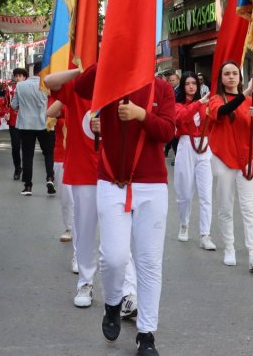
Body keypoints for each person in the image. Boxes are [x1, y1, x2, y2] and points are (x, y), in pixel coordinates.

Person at [74, 63, 175, 356]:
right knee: (114, 257)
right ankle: (113, 302)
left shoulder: (163, 88)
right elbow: (81, 87)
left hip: (152, 185)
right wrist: (108, 56)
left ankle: (146, 333)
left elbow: (167, 131)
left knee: (149, 262)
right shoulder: (108, 81)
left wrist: (142, 115)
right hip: (112, 182)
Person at [45, 68, 139, 313]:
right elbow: (49, 81)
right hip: (83, 173)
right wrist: (79, 67)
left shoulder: (120, 91)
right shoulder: (75, 88)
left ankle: (128, 291)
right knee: (85, 232)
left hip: (112, 172)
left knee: (118, 236)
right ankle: (85, 283)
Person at [207, 61, 253, 271]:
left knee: (249, 208)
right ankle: (229, 247)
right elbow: (222, 112)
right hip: (223, 157)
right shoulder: (215, 100)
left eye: (234, 74)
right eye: (227, 74)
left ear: (239, 77)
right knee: (225, 206)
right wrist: (244, 95)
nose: (231, 77)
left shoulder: (249, 101)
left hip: (247, 158)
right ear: (221, 79)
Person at [172, 73, 215, 251]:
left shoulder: (205, 103)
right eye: (187, 84)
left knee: (206, 193)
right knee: (185, 193)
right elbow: (181, 118)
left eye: (194, 83)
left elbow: (214, 121)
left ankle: (205, 234)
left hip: (204, 146)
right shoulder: (178, 104)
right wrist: (199, 103)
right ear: (183, 86)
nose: (191, 87)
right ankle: (184, 223)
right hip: (185, 146)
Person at [11, 66, 54, 196]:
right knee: (48, 153)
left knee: (28, 156)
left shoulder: (20, 86)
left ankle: (28, 185)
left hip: (26, 124)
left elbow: (14, 105)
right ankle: (50, 178)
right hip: (45, 123)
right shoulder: (48, 84)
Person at [46, 97, 72, 243]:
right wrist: (66, 93)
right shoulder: (60, 100)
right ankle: (69, 227)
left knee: (82, 198)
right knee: (65, 197)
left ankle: (80, 230)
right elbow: (51, 112)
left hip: (84, 156)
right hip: (62, 155)